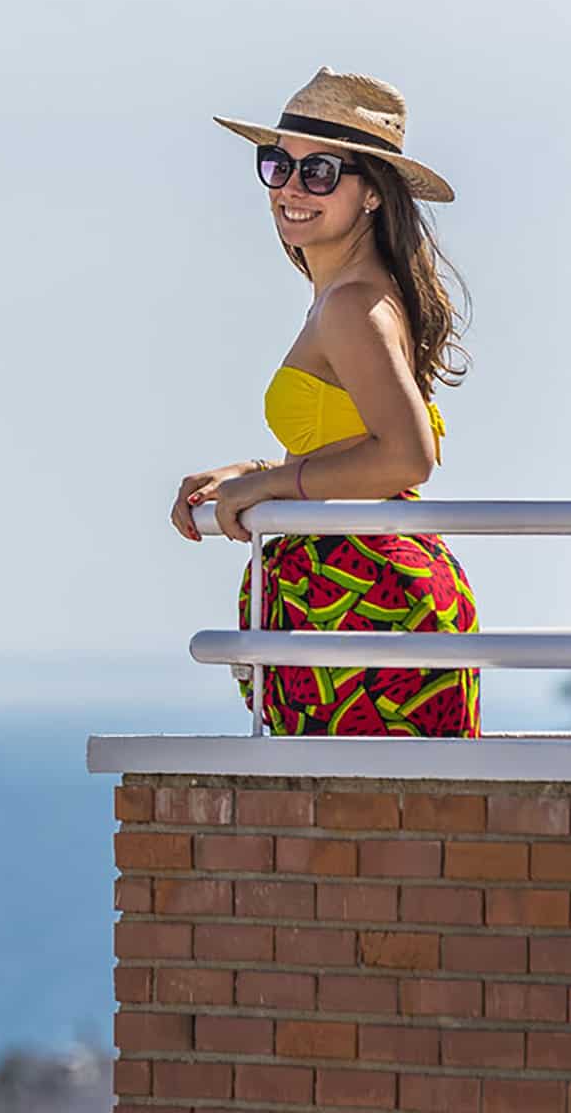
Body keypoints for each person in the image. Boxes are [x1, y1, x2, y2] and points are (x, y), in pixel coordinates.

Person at [167, 67, 480, 737]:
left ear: (371, 194)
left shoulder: (352, 305)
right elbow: (350, 441)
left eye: (320, 172)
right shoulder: (355, 293)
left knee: (365, 830)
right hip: (363, 592)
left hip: (368, 599)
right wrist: (256, 474)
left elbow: (405, 457)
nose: (289, 187)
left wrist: (272, 484)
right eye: (278, 164)